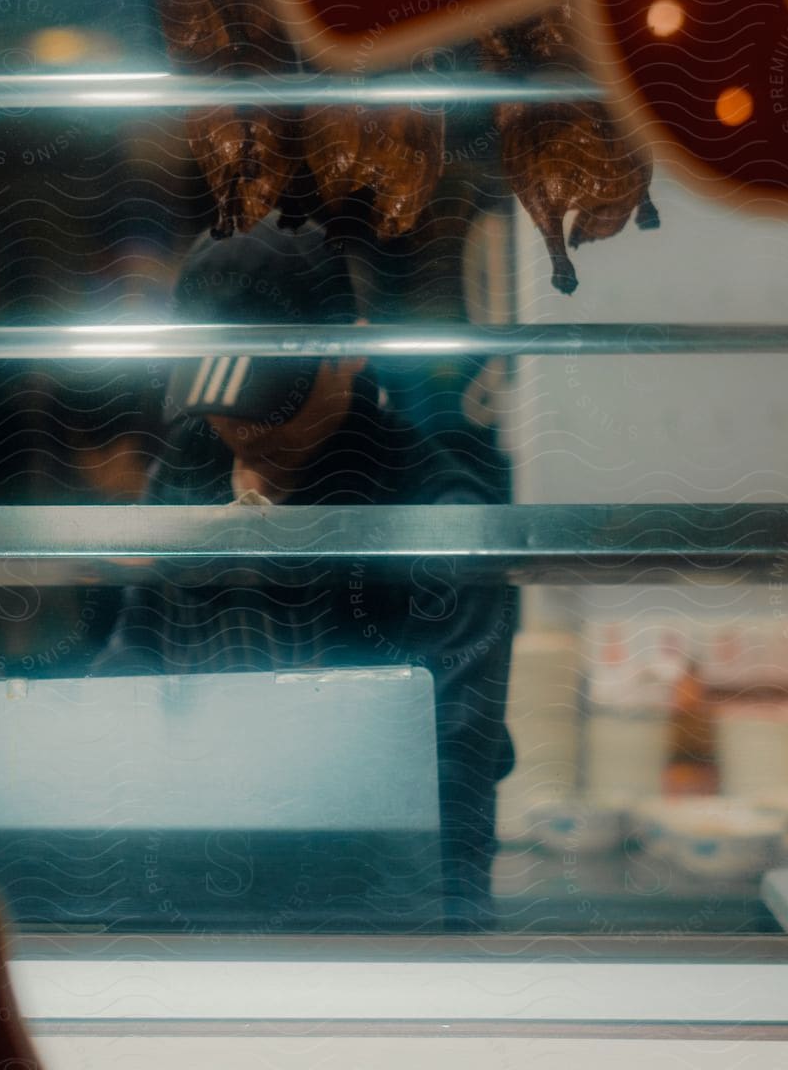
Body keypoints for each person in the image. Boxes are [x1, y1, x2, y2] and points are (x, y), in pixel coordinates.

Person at [91, 215, 517, 928]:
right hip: (202, 894)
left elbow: (453, 756)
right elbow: (133, 666)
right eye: (219, 395)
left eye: (268, 395)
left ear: (348, 350)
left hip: (380, 909)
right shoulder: (185, 473)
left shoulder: (434, 507)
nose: (243, 426)